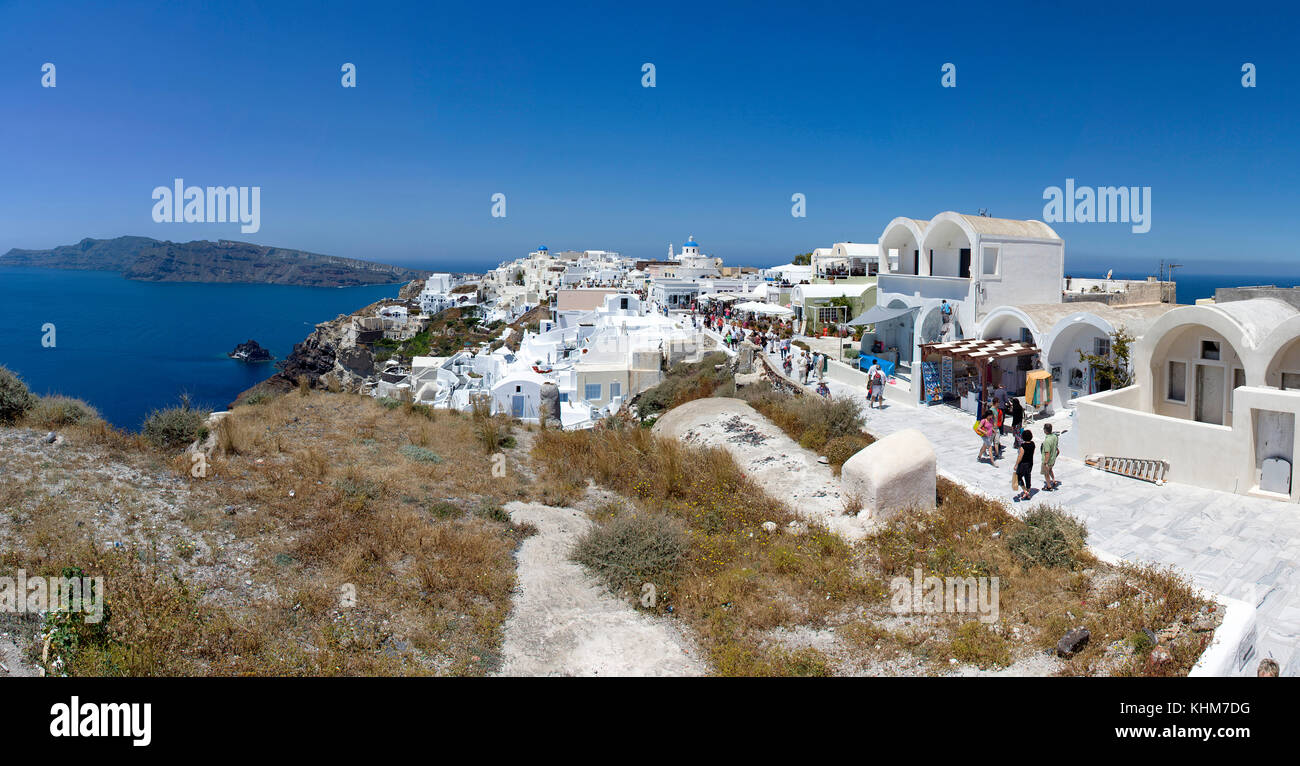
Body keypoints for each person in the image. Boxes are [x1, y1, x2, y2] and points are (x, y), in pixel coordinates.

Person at [1014, 429, 1035, 501]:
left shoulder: (1023, 446)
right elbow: (1033, 453)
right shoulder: (1033, 444)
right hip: (1030, 462)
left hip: (1023, 463)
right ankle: (1028, 492)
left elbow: (1020, 456)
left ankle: (1025, 491)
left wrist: (1016, 464)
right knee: (1027, 476)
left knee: (1018, 476)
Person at [1041, 423, 1060, 490]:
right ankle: (1054, 480)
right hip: (1053, 459)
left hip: (1048, 460)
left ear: (1045, 430)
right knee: (1050, 470)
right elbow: (1057, 449)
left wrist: (1045, 463)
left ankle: (1049, 486)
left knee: (1046, 473)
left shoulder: (1047, 441)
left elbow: (1047, 453)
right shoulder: (1055, 437)